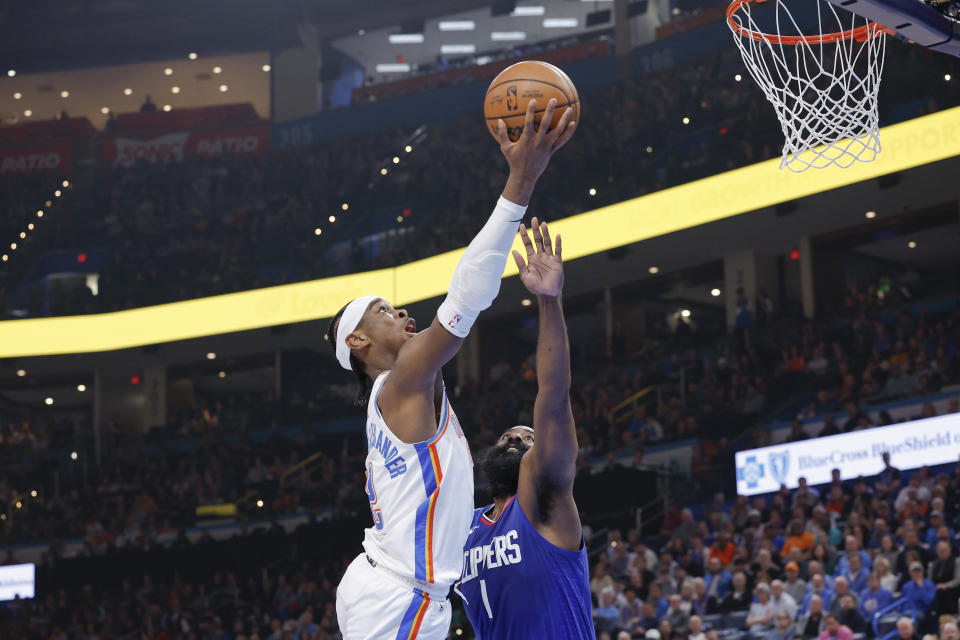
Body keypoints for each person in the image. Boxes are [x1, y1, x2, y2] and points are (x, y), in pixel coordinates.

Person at [331, 98, 575, 640]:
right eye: (384, 310)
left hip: (390, 588)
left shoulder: (403, 396)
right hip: (400, 593)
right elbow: (467, 295)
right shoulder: (399, 383)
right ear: (359, 340)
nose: (402, 313)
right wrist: (520, 183)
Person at [457, 209, 592, 639]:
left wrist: (548, 301)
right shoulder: (466, 529)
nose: (516, 437)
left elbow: (552, 398)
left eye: (527, 438)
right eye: (508, 436)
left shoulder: (542, 498)